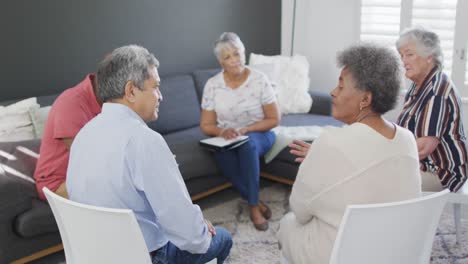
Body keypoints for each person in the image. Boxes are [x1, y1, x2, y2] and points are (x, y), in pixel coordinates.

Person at [66, 45, 232, 264]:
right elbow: (188, 236)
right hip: (144, 257)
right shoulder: (144, 141)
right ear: (131, 91)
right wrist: (201, 230)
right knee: (223, 238)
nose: (161, 96)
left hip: (95, 253)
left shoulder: (84, 134)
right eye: (156, 87)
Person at [278, 43, 422, 264]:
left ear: (365, 99)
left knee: (287, 223)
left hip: (342, 255)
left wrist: (320, 157)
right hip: (395, 252)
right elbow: (371, 172)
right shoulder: (407, 138)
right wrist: (321, 158)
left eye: (341, 86)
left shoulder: (330, 142)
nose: (332, 92)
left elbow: (300, 210)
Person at [200, 32, 281, 231]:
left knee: (248, 145)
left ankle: (253, 207)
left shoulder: (259, 79)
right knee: (219, 154)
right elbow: (206, 125)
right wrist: (222, 132)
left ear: (243, 53)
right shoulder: (213, 85)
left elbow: (274, 119)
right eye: (227, 57)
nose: (234, 60)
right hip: (229, 139)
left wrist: (247, 129)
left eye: (237, 54)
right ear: (221, 62)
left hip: (260, 134)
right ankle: (255, 199)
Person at [396, 27, 467, 192]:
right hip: (422, 164)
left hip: (442, 173)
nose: (404, 61)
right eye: (402, 56)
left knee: (382, 181)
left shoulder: (437, 91)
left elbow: (423, 147)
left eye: (409, 54)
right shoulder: (419, 85)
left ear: (429, 56)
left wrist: (390, 156)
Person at [34, 69, 102, 200]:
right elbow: (86, 159)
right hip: (58, 184)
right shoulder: (72, 101)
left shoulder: (108, 102)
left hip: (83, 176)